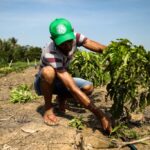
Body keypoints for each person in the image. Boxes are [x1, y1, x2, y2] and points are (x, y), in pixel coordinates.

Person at [34, 18, 112, 134]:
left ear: (73, 32)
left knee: (88, 87)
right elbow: (73, 88)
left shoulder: (75, 36)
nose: (67, 45)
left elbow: (90, 43)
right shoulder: (50, 53)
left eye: (69, 40)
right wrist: (100, 115)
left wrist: (112, 53)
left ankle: (61, 98)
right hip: (43, 83)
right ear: (52, 39)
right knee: (49, 72)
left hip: (60, 80)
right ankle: (48, 108)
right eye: (62, 43)